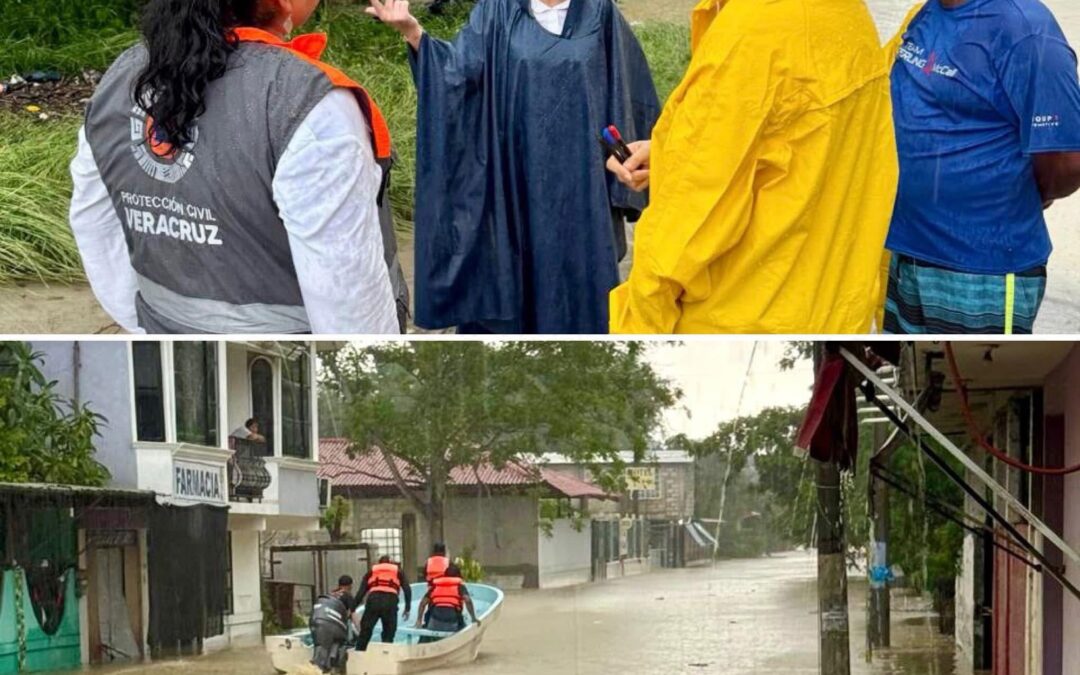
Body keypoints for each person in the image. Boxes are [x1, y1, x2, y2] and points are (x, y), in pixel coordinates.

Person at [69, 0, 409, 334]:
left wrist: (144, 325)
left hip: (159, 324)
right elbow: (346, 296)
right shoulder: (308, 103)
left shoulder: (121, 78)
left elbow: (94, 226)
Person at [366, 0, 660, 334]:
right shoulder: (496, 11)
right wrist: (412, 30)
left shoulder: (599, 12)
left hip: (581, 187)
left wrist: (627, 166)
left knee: (578, 298)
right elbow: (457, 76)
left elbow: (628, 91)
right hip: (513, 180)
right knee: (512, 285)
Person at [606, 0, 898, 334]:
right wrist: (673, 151)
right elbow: (801, 148)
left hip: (740, 318)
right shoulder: (847, 15)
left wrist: (639, 328)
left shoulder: (751, 36)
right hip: (833, 307)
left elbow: (678, 240)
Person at [882, 0, 1080, 334]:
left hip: (980, 270)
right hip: (908, 252)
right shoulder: (928, 11)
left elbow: (1068, 162)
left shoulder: (1026, 29)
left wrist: (1020, 195)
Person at [354, 556, 412, 651]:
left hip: (374, 601)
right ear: (390, 563)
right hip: (390, 601)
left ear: (379, 563)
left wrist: (352, 608)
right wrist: (407, 608)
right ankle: (385, 655)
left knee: (365, 632)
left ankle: (359, 655)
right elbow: (407, 589)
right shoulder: (397, 571)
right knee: (389, 633)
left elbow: (361, 593)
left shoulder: (372, 571)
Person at [415, 564, 480, 636]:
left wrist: (419, 621)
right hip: (452, 623)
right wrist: (473, 618)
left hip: (434, 622)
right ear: (458, 576)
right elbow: (468, 600)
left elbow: (422, 603)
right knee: (464, 629)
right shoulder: (459, 586)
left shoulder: (435, 586)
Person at [309, 577, 356, 674]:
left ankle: (319, 667)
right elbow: (353, 614)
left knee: (322, 647)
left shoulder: (330, 594)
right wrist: (361, 631)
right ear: (350, 586)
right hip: (335, 626)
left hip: (318, 621)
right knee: (346, 642)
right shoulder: (347, 595)